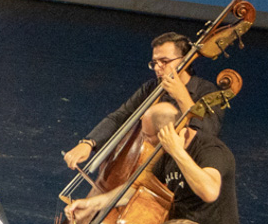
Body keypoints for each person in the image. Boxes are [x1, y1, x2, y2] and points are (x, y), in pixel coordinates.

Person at [64, 98, 245, 224]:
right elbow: (138, 189)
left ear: (166, 133)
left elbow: (209, 192)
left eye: (148, 136)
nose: (145, 142)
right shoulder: (163, 154)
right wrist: (92, 204)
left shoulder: (212, 151)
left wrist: (177, 152)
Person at [61, 31, 224, 171]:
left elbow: (209, 135)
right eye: (155, 63)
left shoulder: (207, 91)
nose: (157, 68)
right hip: (147, 167)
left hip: (185, 170)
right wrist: (89, 143)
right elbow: (120, 116)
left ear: (185, 60)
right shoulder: (151, 88)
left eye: (164, 61)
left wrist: (182, 96)